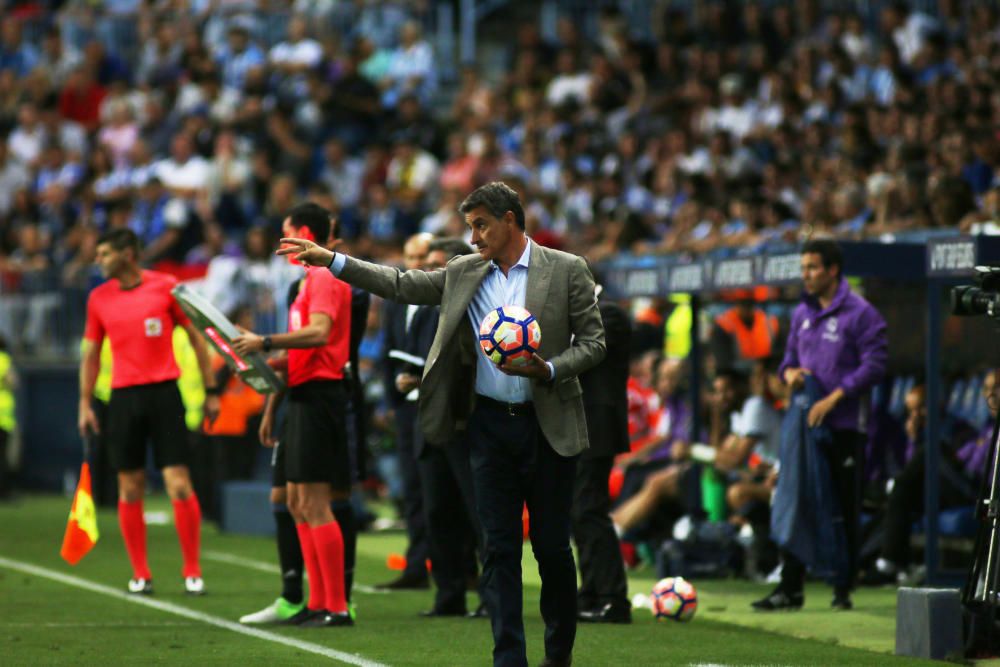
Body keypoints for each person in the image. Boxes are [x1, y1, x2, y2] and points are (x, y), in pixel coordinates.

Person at [279, 181, 606, 667]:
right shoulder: (463, 272)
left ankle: (558, 657)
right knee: (497, 549)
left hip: (547, 426)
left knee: (553, 550)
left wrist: (550, 368)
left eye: (481, 225)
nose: (472, 237)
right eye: (469, 226)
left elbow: (596, 342)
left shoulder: (565, 269)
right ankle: (508, 659)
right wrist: (332, 260)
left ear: (510, 220)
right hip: (487, 426)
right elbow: (397, 282)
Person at [78, 228, 221, 595]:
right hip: (122, 399)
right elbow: (91, 355)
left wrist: (210, 390)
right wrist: (84, 403)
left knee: (178, 483)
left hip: (164, 395)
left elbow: (195, 337)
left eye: (104, 254)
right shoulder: (98, 298)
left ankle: (192, 570)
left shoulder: (166, 286)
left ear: (127, 254)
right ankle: (141, 573)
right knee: (130, 487)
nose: (99, 261)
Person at [233, 203, 354, 628]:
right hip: (302, 396)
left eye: (285, 234)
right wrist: (266, 374)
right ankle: (318, 601)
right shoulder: (306, 282)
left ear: (303, 232)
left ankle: (336, 606)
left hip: (321, 396)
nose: (280, 244)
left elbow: (320, 334)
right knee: (300, 502)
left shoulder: (323, 277)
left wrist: (264, 342)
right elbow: (305, 347)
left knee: (316, 502)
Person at [753, 238, 887, 612]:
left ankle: (843, 587)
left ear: (832, 270)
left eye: (813, 268)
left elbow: (875, 365)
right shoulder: (802, 313)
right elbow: (788, 361)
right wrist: (791, 373)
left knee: (843, 506)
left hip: (845, 426)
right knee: (795, 498)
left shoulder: (861, 314)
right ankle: (789, 588)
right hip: (804, 423)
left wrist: (835, 397)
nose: (806, 275)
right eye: (804, 268)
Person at [404, 237, 485, 618]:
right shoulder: (423, 312)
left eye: (442, 265)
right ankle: (448, 596)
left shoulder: (476, 310)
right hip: (430, 427)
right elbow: (410, 364)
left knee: (481, 516)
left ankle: (492, 598)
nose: (434, 271)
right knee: (438, 515)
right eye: (432, 264)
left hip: (467, 425)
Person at [864, 374, 996, 584]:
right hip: (950, 485)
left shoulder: (959, 428)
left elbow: (968, 468)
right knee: (903, 495)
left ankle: (888, 560)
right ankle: (887, 564)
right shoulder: (988, 429)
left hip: (976, 492)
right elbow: (915, 471)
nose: (990, 394)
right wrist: (914, 440)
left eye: (995, 388)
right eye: (987, 388)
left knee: (931, 451)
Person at [574, 276, 632, 624]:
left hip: (598, 427)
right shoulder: (586, 313)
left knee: (589, 510)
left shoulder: (610, 315)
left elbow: (586, 353)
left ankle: (613, 598)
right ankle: (592, 592)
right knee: (578, 512)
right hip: (579, 427)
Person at [377, 232, 433, 590]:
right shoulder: (396, 301)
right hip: (406, 409)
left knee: (438, 492)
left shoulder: (441, 298)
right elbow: (388, 352)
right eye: (410, 257)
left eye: (422, 257)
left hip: (433, 406)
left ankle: (456, 572)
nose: (414, 264)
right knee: (413, 489)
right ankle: (416, 566)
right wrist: (391, 400)